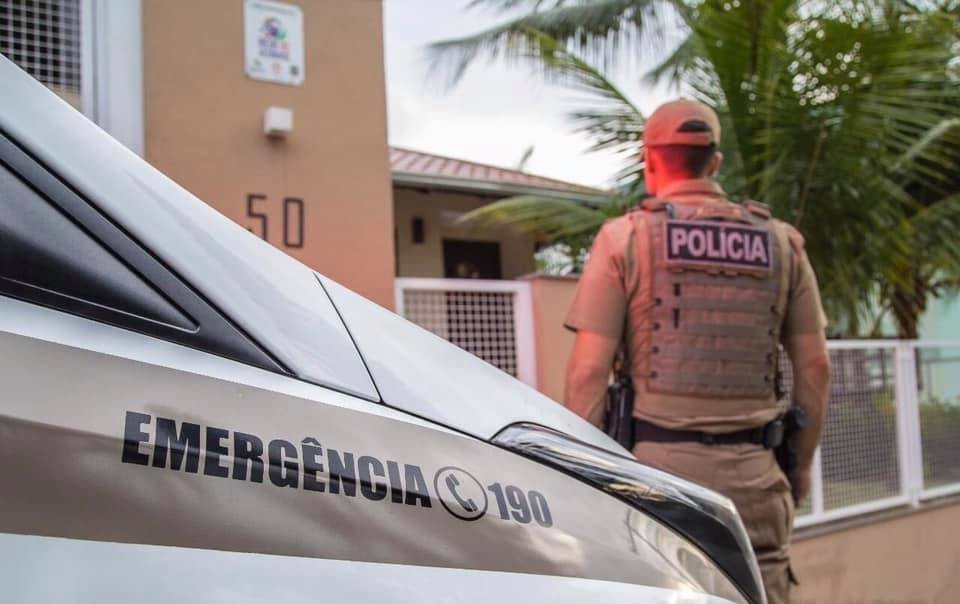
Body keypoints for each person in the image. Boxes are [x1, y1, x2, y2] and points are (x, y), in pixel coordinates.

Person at [563, 98, 831, 603]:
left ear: (649, 160)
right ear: (716, 162)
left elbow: (587, 374)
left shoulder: (625, 239)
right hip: (757, 475)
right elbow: (815, 365)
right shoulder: (782, 243)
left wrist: (589, 476)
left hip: (657, 481)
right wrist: (798, 467)